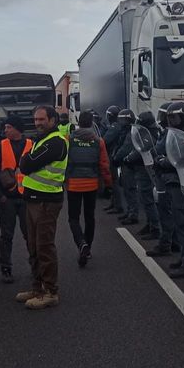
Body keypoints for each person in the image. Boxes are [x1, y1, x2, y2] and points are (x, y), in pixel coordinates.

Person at [13, 105, 68, 309]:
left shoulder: (55, 142)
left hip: (47, 201)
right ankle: (37, 287)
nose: (37, 123)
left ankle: (51, 292)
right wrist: (27, 159)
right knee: (33, 246)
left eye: (42, 119)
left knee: (44, 246)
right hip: (34, 199)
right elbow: (27, 162)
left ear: (52, 120)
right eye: (35, 120)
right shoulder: (42, 141)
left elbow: (26, 165)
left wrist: (26, 160)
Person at [0, 116, 31, 284]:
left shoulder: (30, 145)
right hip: (8, 199)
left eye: (8, 127)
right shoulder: (1, 146)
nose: (5, 130)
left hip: (27, 197)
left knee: (30, 235)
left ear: (17, 129)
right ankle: (6, 268)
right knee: (7, 235)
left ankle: (35, 265)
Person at [65, 110, 112, 267]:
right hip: (92, 184)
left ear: (79, 121)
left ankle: (81, 243)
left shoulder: (69, 139)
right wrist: (108, 184)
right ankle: (88, 248)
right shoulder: (99, 141)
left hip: (74, 184)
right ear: (92, 122)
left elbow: (63, 161)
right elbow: (104, 166)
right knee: (89, 217)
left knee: (73, 218)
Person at [159, 102, 184, 279]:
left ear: (182, 117)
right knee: (179, 221)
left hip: (181, 181)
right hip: (175, 181)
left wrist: (163, 162)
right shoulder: (178, 132)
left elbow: (182, 158)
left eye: (173, 117)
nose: (169, 120)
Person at [126, 110, 162, 240]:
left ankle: (155, 227)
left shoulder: (149, 135)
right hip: (146, 168)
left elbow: (142, 149)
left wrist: (129, 158)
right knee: (146, 199)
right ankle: (150, 223)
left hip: (145, 169)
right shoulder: (155, 131)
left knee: (147, 199)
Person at [146, 102, 176, 258]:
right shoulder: (165, 132)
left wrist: (156, 158)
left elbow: (158, 150)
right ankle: (174, 242)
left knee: (166, 211)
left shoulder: (170, 134)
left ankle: (166, 244)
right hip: (165, 177)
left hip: (166, 177)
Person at [112, 109, 140, 225]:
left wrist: (116, 158)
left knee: (130, 189)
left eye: (123, 119)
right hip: (125, 164)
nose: (121, 121)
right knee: (127, 189)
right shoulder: (125, 131)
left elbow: (126, 148)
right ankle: (130, 211)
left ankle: (133, 214)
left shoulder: (131, 131)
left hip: (129, 165)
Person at [102, 106, 126, 215]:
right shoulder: (116, 126)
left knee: (114, 182)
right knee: (113, 181)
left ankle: (118, 206)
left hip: (113, 155)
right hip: (113, 154)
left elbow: (105, 140)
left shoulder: (115, 127)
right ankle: (114, 203)